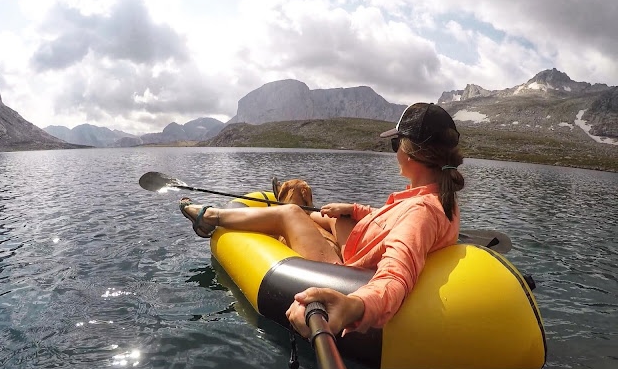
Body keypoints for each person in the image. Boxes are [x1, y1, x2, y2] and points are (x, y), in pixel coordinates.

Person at [179, 102, 464, 339]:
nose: (395, 152)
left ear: (412, 152)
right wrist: (352, 209)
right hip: (358, 248)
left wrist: (354, 305)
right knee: (326, 217)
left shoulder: (421, 213)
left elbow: (396, 276)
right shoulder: (434, 198)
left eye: (395, 144)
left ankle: (210, 217)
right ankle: (299, 218)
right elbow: (389, 221)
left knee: (289, 213)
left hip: (343, 273)